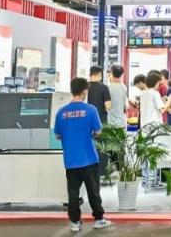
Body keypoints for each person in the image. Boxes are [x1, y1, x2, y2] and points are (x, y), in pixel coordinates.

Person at [54, 77, 112, 233]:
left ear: (72, 90)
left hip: (70, 160)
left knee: (73, 193)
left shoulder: (61, 112)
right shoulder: (91, 110)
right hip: (89, 158)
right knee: (93, 191)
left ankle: (75, 222)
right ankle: (99, 219)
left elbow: (57, 135)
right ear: (85, 91)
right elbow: (98, 131)